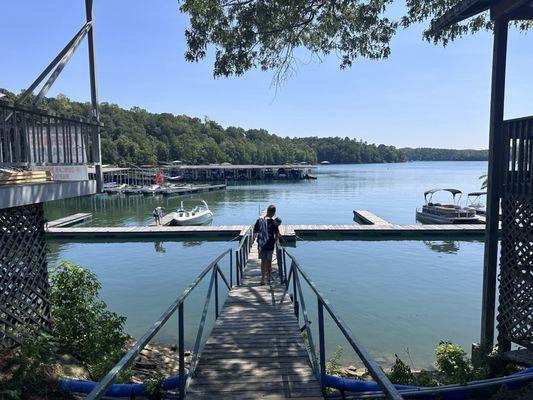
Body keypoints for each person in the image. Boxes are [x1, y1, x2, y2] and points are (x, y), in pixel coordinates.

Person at [254, 204, 280, 285]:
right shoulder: (274, 223)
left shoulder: (260, 220)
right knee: (269, 261)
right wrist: (275, 241)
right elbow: (277, 235)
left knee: (263, 261)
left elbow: (255, 231)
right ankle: (268, 277)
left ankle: (262, 278)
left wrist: (262, 232)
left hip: (262, 244)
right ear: (273, 213)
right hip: (270, 245)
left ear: (267, 211)